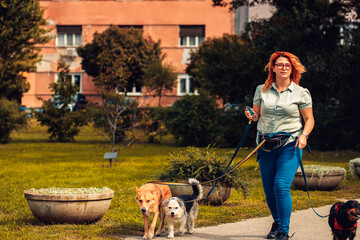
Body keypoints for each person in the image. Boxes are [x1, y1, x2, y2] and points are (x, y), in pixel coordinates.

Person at [244, 51, 315, 240]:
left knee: (281, 186)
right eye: (280, 65)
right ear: (273, 68)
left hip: (290, 143)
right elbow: (257, 115)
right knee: (269, 189)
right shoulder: (262, 90)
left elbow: (309, 119)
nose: (283, 68)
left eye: (287, 65)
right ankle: (276, 221)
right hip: (265, 144)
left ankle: (283, 229)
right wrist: (252, 116)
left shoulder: (301, 92)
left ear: (292, 69)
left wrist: (304, 136)